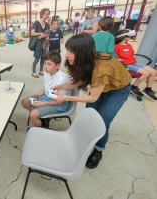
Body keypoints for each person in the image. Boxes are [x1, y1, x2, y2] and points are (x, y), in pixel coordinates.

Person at [52, 33, 131, 169]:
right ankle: (84, 140)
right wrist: (63, 86)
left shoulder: (101, 68)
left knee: (102, 123)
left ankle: (98, 150)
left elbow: (92, 97)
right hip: (100, 86)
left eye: (71, 51)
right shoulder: (85, 60)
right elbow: (81, 81)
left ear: (82, 52)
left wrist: (66, 97)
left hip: (117, 90)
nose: (66, 55)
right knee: (89, 116)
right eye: (67, 50)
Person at [21, 51, 70, 127]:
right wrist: (36, 95)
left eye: (49, 64)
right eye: (45, 63)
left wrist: (43, 104)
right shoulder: (47, 73)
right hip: (47, 97)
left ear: (58, 65)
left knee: (33, 115)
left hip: (58, 105)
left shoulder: (62, 79)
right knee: (25, 102)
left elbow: (60, 102)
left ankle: (42, 128)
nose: (45, 66)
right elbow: (46, 87)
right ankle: (41, 119)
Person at [115, 29, 157, 100]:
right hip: (127, 64)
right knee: (146, 73)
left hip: (134, 63)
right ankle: (134, 87)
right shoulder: (116, 46)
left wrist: (138, 64)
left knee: (154, 72)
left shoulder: (129, 45)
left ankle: (148, 89)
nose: (130, 38)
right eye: (129, 36)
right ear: (122, 37)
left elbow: (132, 55)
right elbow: (115, 58)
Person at [31, 8, 51, 78]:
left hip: (45, 44)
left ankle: (41, 70)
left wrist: (43, 36)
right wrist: (41, 34)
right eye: (47, 14)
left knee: (43, 58)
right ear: (42, 14)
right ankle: (33, 72)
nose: (48, 16)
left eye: (48, 14)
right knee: (36, 59)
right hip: (38, 44)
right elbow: (33, 33)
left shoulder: (47, 25)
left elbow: (49, 34)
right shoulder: (36, 23)